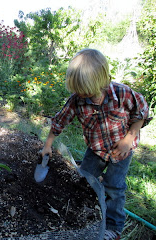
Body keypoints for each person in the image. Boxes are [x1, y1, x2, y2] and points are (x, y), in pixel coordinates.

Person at [41, 48, 151, 240]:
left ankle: (114, 227)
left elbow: (141, 112)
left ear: (100, 80)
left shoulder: (122, 93)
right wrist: (48, 144)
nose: (81, 93)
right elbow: (60, 120)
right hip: (96, 150)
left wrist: (129, 138)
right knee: (84, 178)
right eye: (78, 90)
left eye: (85, 90)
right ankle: (86, 213)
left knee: (114, 187)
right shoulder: (77, 100)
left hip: (121, 152)